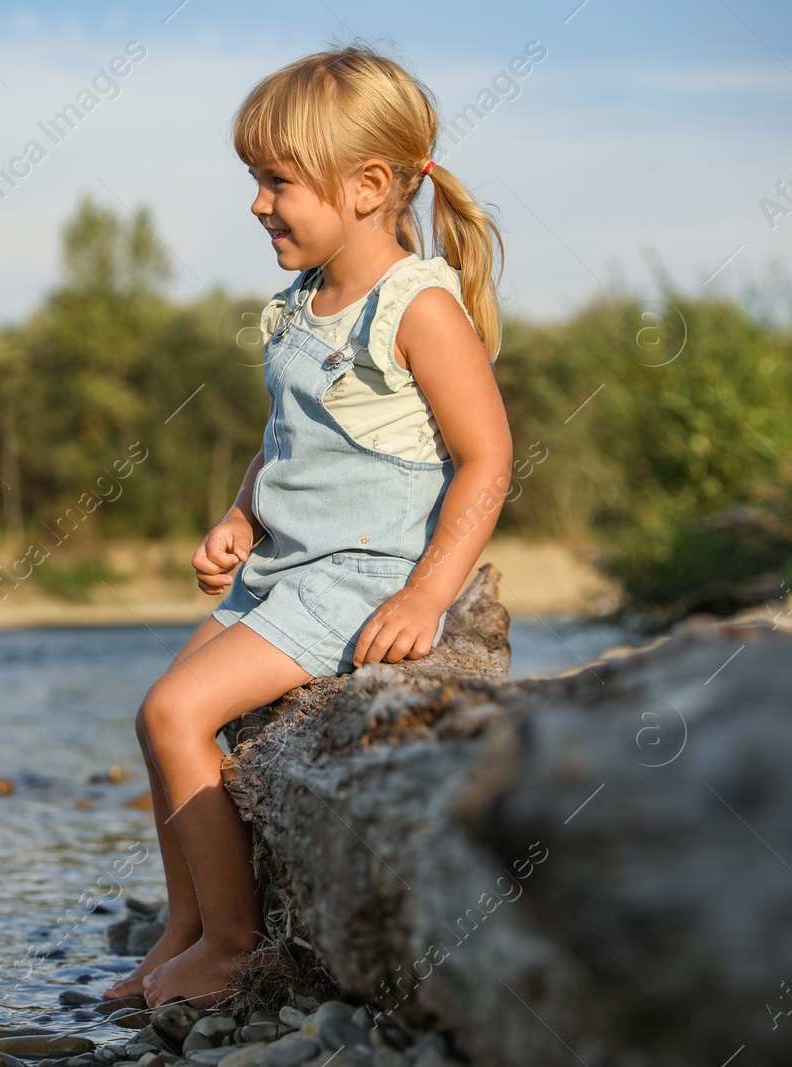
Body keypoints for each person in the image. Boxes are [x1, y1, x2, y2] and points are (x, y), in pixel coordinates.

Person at [106, 46, 513, 1008]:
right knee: (155, 711)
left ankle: (236, 947)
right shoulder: (299, 304)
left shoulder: (414, 306)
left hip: (357, 576)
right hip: (284, 568)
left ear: (370, 186)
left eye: (277, 181)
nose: (257, 204)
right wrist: (239, 516)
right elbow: (284, 440)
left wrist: (428, 592)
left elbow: (487, 458)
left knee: (177, 714)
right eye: (256, 179)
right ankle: (189, 923)